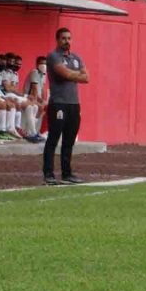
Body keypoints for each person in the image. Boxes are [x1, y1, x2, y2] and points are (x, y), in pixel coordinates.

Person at [43, 28, 89, 185]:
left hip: (74, 104)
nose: (67, 41)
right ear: (57, 40)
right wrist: (75, 75)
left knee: (69, 140)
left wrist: (72, 74)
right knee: (53, 139)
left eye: (69, 38)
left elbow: (86, 77)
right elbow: (65, 74)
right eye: (63, 38)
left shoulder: (76, 58)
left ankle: (66, 173)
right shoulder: (53, 57)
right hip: (58, 103)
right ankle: (48, 173)